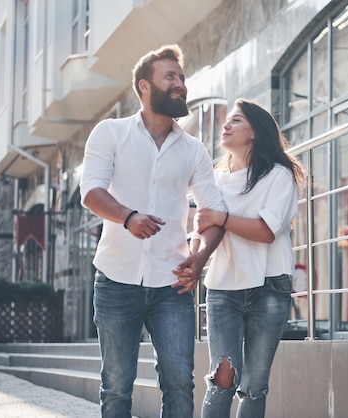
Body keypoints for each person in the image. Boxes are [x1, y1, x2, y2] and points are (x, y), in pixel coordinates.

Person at [79, 44, 225, 417]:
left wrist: (200, 256)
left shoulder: (193, 149)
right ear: (145, 86)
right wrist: (128, 217)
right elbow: (91, 192)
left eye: (181, 77)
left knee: (179, 383)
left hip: (171, 285)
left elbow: (214, 212)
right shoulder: (110, 132)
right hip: (115, 280)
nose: (180, 84)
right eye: (170, 77)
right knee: (116, 387)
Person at [174, 98, 304, 417]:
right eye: (227, 121)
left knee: (254, 384)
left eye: (236, 121)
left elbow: (265, 231)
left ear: (255, 132)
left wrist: (221, 218)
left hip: (270, 287)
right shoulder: (214, 179)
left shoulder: (279, 174)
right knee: (222, 379)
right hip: (223, 288)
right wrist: (194, 259)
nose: (225, 125)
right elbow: (201, 227)